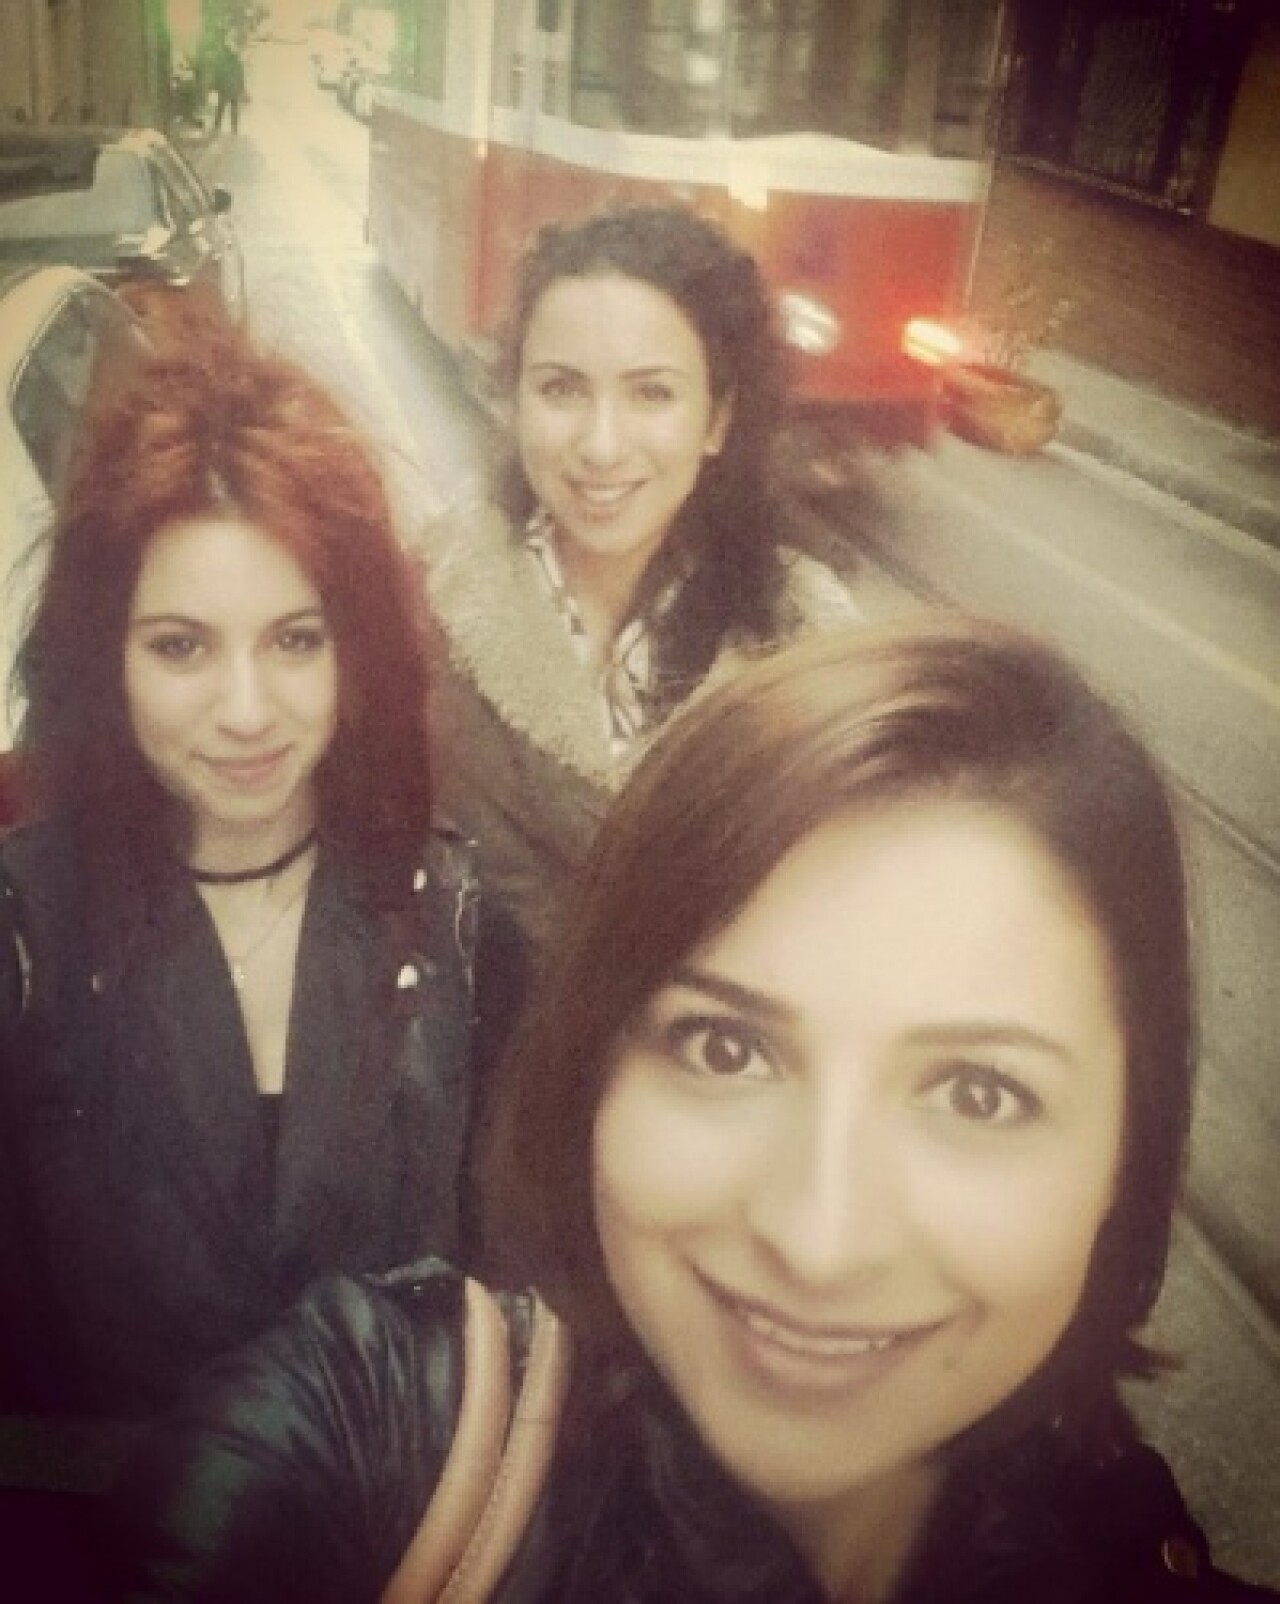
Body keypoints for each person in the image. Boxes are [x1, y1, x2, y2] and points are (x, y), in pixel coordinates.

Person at [107, 619, 1277, 1602]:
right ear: (594, 1066)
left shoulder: (1137, 1553)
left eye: (978, 1091)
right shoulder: (382, 1434)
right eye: (727, 1047)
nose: (817, 1240)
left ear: (1124, 1154)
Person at [0, 334, 479, 1429]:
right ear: (106, 656)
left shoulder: (451, 914)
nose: (248, 711)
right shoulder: (27, 927)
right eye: (182, 648)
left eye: (295, 640)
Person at [419, 202, 858, 965]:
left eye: (652, 393)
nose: (601, 445)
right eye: (562, 389)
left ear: (717, 420)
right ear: (514, 401)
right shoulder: (427, 604)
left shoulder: (814, 657)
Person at [209, 34, 245, 135]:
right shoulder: (231, 56)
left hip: (228, 86)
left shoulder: (223, 57)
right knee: (227, 108)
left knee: (223, 108)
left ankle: (219, 128)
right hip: (230, 86)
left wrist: (214, 85)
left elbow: (218, 73)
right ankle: (232, 129)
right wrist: (241, 86)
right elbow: (239, 71)